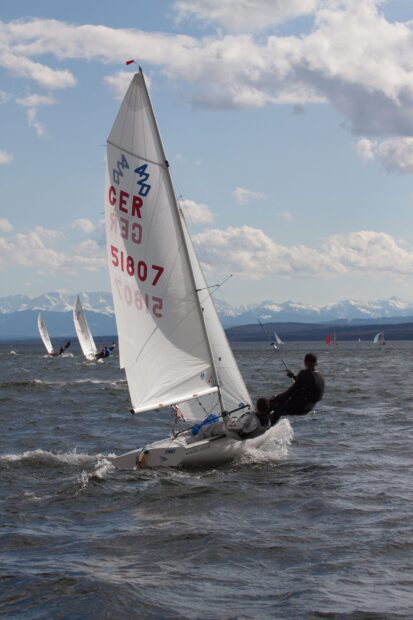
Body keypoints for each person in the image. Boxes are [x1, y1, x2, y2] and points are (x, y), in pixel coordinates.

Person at [268, 352, 324, 425]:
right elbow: (305, 383)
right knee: (279, 403)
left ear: (305, 362)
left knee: (277, 405)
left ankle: (265, 426)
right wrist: (293, 376)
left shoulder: (304, 373)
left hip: (300, 407)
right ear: (316, 363)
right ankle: (267, 421)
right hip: (309, 407)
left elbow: (288, 393)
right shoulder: (320, 376)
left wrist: (273, 399)